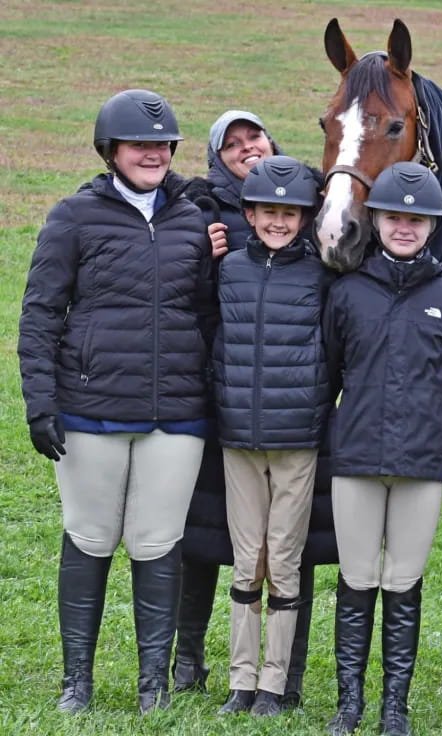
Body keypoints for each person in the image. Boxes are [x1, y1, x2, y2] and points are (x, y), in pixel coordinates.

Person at [17, 89, 215, 714]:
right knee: (90, 536)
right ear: (111, 151)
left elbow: (210, 313)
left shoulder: (192, 218)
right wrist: (40, 402)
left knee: (158, 541)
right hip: (90, 407)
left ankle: (152, 683)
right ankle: (78, 679)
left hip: (176, 413)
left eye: (162, 145)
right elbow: (40, 313)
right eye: (139, 145)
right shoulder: (73, 218)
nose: (153, 154)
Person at [173, 111, 335, 709]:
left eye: (289, 213)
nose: (277, 220)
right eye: (267, 212)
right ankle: (241, 679)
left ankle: (277, 682)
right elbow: (201, 318)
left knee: (287, 562)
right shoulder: (226, 262)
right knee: (245, 561)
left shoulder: (320, 272)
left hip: (297, 434)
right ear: (248, 213)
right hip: (237, 431)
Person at [322, 162, 442, 736]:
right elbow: (330, 373)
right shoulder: (347, 293)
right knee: (358, 579)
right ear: (377, 219)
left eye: (417, 219)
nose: (404, 227)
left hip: (421, 464)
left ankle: (395, 707)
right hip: (357, 458)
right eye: (395, 217)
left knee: (403, 582)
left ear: (431, 227)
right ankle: (350, 703)